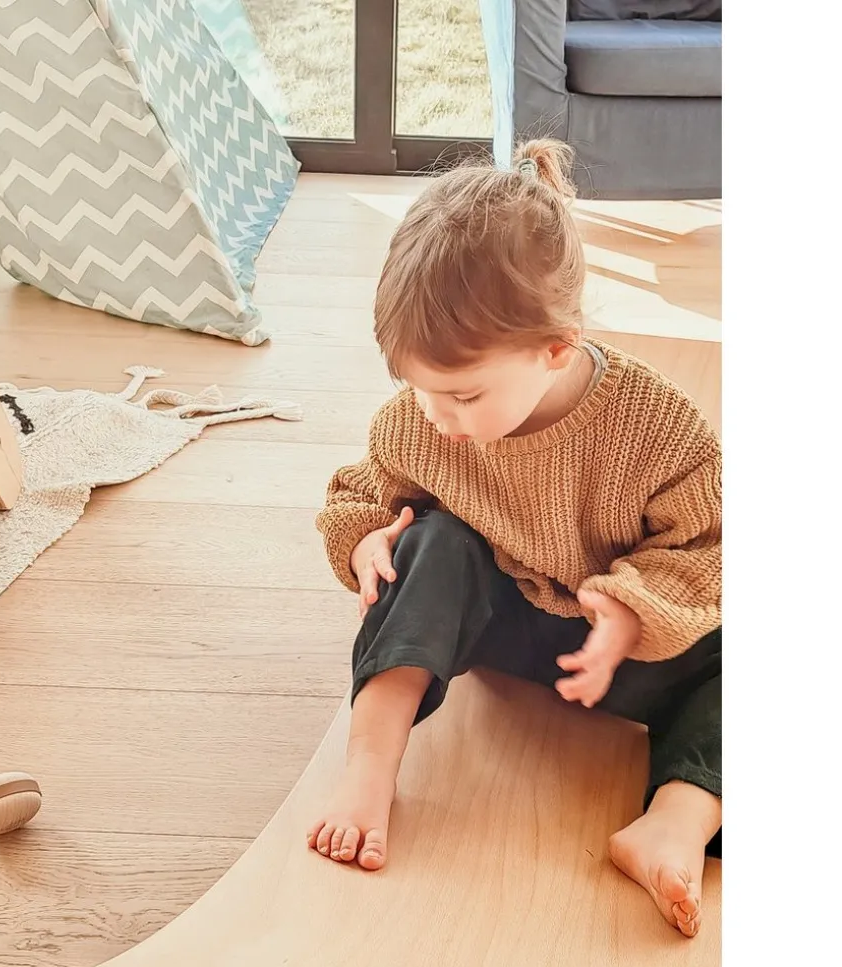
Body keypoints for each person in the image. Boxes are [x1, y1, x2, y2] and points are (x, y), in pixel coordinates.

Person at [308, 140, 721, 939]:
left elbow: (708, 548)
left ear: (556, 347)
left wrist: (631, 611)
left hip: (619, 652)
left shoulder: (661, 426)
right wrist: (364, 542)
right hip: (500, 624)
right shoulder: (422, 423)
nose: (439, 418)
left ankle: (676, 819)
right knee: (428, 540)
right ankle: (370, 767)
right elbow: (361, 490)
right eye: (420, 390)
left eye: (463, 395)